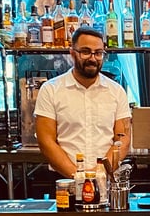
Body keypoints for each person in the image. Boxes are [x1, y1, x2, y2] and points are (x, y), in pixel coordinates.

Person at [35, 26, 131, 178]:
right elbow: (46, 141)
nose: (92, 58)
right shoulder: (50, 89)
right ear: (72, 53)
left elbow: (122, 140)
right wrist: (79, 177)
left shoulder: (116, 91)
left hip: (104, 178)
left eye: (98, 53)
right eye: (85, 52)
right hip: (64, 179)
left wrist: (99, 172)